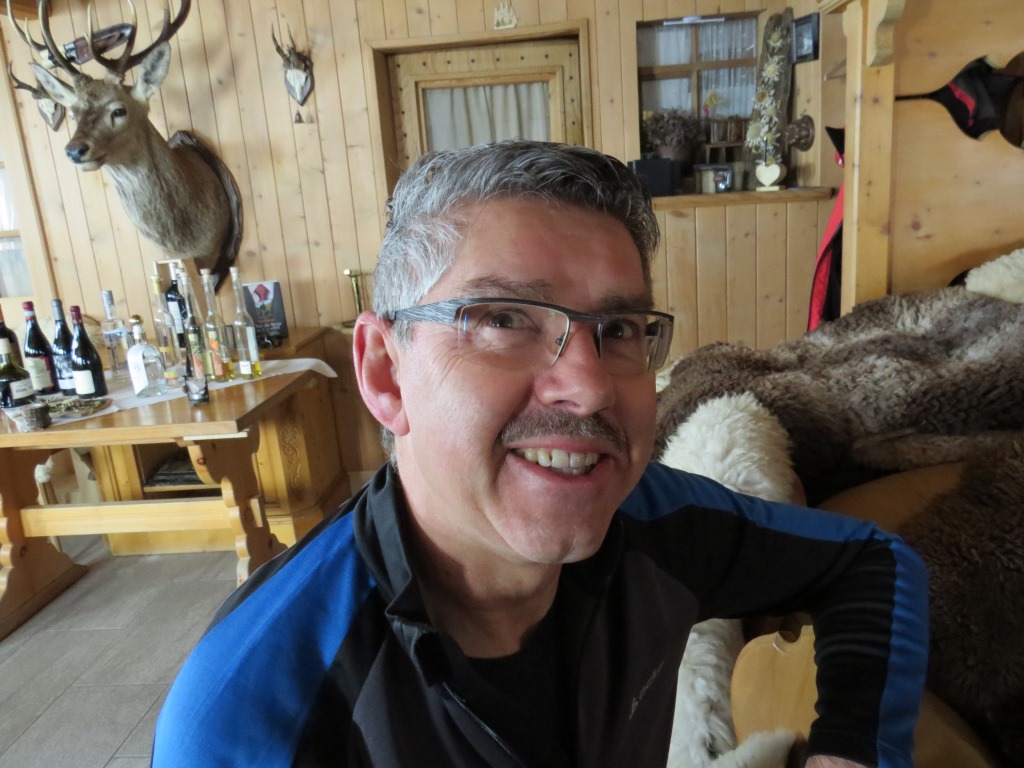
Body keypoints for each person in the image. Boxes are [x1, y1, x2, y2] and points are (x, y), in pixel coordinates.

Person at [152, 141, 928, 768]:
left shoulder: (659, 523)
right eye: (503, 320)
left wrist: (852, 749)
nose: (587, 387)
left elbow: (873, 563)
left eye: (618, 330)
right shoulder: (248, 714)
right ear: (386, 374)